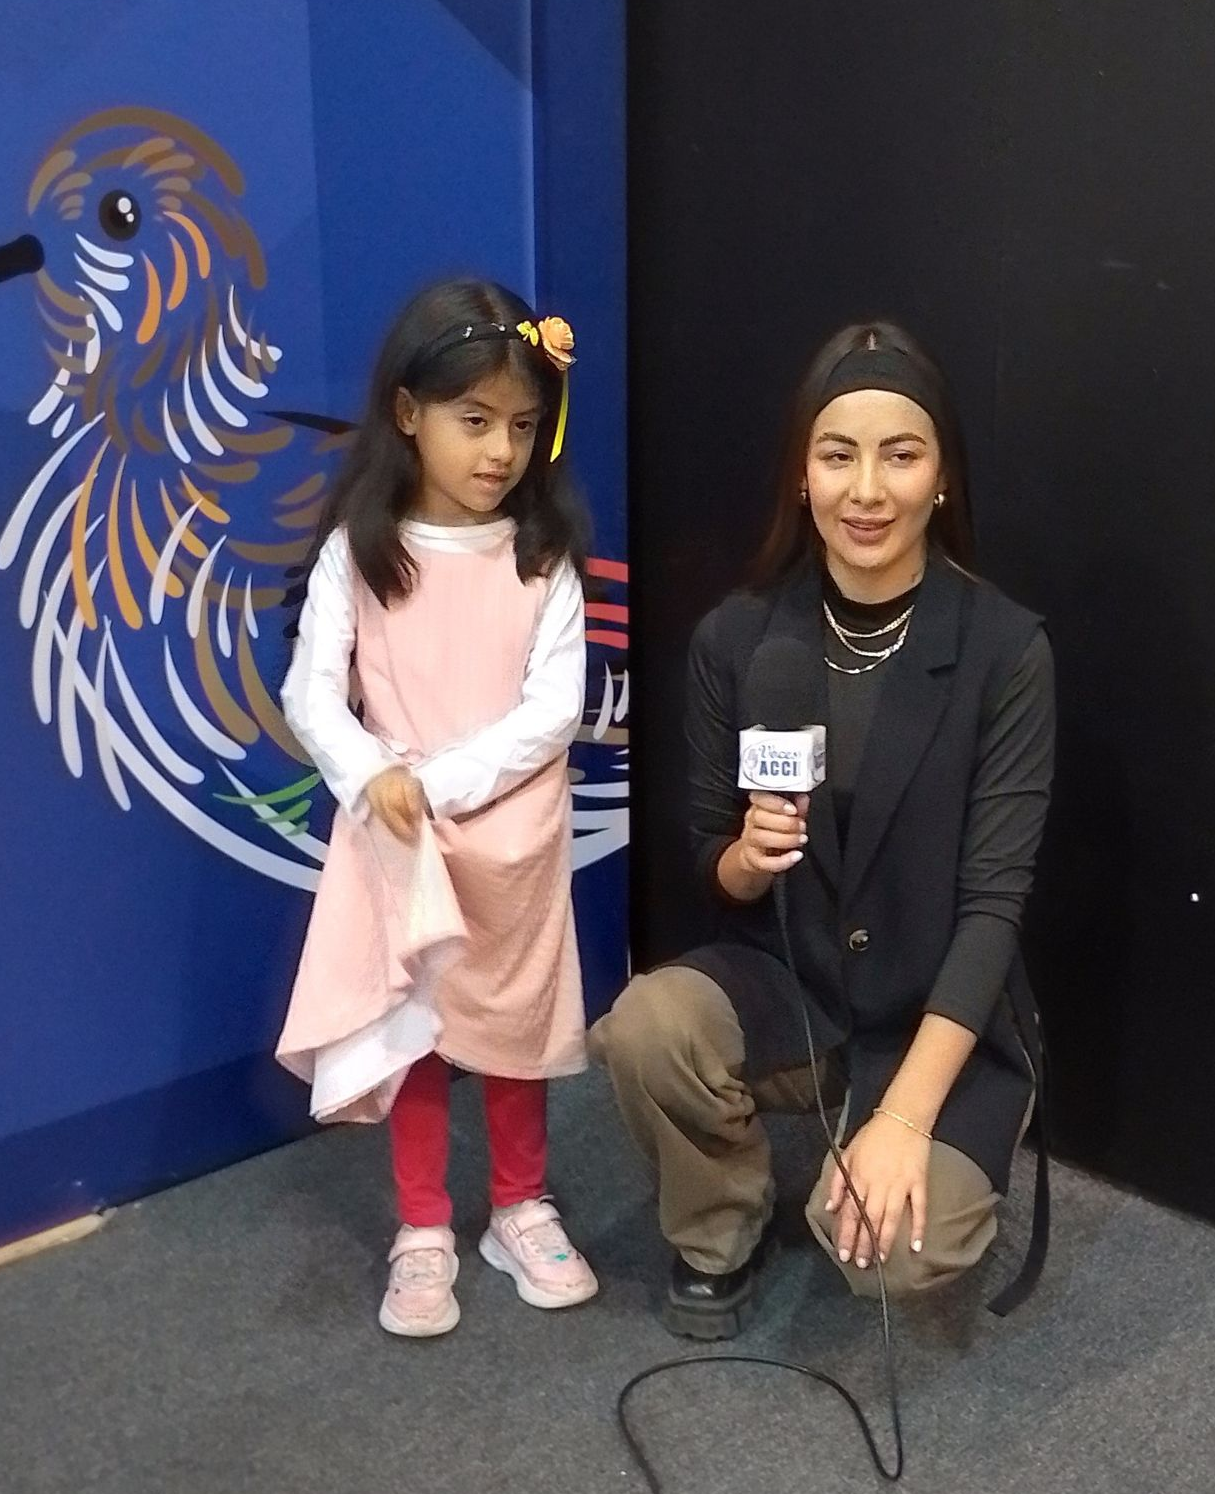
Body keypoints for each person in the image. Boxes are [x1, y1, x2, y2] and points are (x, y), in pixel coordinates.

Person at [592, 321, 1055, 1338]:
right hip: (794, 985)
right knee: (646, 1028)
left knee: (886, 1247)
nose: (867, 490)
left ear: (942, 479)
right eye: (838, 455)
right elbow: (713, 863)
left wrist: (901, 1119)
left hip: (942, 1014)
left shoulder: (1005, 651)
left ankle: (883, 1145)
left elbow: (993, 909)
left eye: (901, 455)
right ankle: (724, 1228)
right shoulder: (741, 637)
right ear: (804, 475)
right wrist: (748, 862)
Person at [276, 279, 599, 1337]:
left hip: (509, 835)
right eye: (473, 422)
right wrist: (375, 774)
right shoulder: (359, 552)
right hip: (397, 837)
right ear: (408, 413)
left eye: (520, 425)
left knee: (513, 1026)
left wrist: (439, 780)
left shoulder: (541, 559)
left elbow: (555, 708)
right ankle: (422, 1226)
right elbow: (311, 690)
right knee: (412, 1024)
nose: (499, 451)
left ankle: (519, 1205)